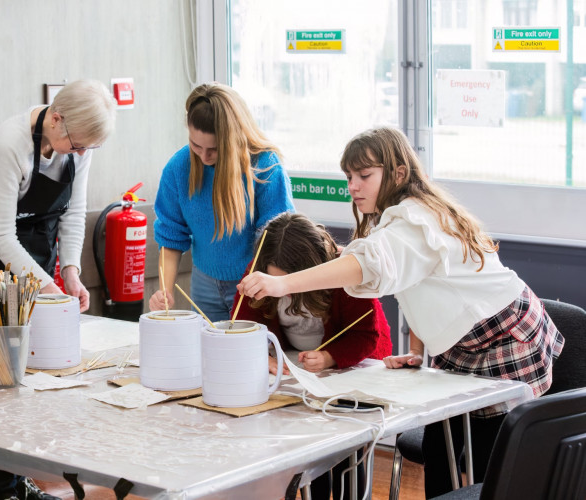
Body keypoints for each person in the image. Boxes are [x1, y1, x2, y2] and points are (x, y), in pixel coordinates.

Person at [238, 127, 564, 498]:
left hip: (503, 338)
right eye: (349, 177)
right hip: (463, 347)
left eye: (364, 175)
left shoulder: (412, 219)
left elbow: (368, 265)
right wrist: (419, 351)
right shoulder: (398, 219)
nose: (353, 186)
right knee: (441, 451)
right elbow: (421, 288)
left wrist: (282, 284)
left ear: (398, 174)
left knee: (490, 464)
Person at [0, 79, 116, 500]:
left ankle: (26, 477)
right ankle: (4, 491)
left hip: (39, 242)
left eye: (88, 149)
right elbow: (1, 234)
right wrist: (47, 286)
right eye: (78, 145)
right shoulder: (10, 142)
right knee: (0, 373)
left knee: (41, 368)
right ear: (57, 118)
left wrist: (71, 273)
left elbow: (74, 212)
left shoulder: (79, 145)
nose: (81, 155)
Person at [232, 212, 392, 500]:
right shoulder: (258, 275)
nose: (283, 292)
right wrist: (262, 356)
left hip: (353, 370)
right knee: (309, 453)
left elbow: (368, 336)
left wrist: (331, 357)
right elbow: (243, 327)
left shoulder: (344, 274)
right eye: (274, 283)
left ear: (313, 270)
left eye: (289, 284)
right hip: (299, 375)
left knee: (348, 451)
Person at [148, 82, 295, 321]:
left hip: (253, 285)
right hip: (203, 285)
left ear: (233, 139)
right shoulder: (178, 167)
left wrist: (266, 287)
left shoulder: (266, 166)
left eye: (214, 150)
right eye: (196, 145)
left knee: (251, 354)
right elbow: (171, 236)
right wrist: (164, 289)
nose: (204, 157)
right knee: (208, 350)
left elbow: (278, 241)